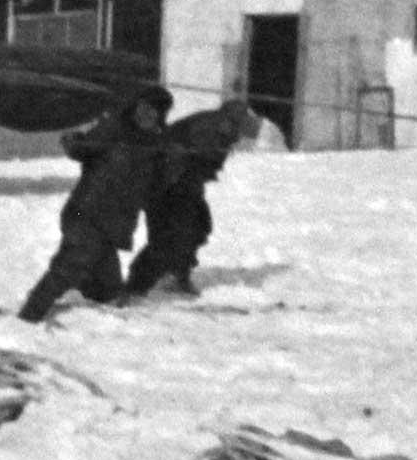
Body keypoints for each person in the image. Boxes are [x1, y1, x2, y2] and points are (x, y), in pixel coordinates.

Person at [18, 86, 178, 323]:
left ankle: (92, 317)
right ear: (135, 106)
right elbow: (81, 149)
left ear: (160, 115)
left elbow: (158, 187)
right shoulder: (114, 129)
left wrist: (173, 164)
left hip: (113, 225)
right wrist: (73, 141)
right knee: (70, 265)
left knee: (108, 289)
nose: (146, 114)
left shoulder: (157, 147)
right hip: (86, 213)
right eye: (143, 107)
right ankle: (28, 317)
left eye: (153, 110)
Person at [126, 99, 261, 299]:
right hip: (167, 186)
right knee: (170, 236)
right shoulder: (211, 127)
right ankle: (136, 286)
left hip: (182, 184)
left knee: (197, 227)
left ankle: (176, 274)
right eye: (242, 122)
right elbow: (178, 159)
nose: (242, 133)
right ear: (232, 119)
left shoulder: (219, 126)